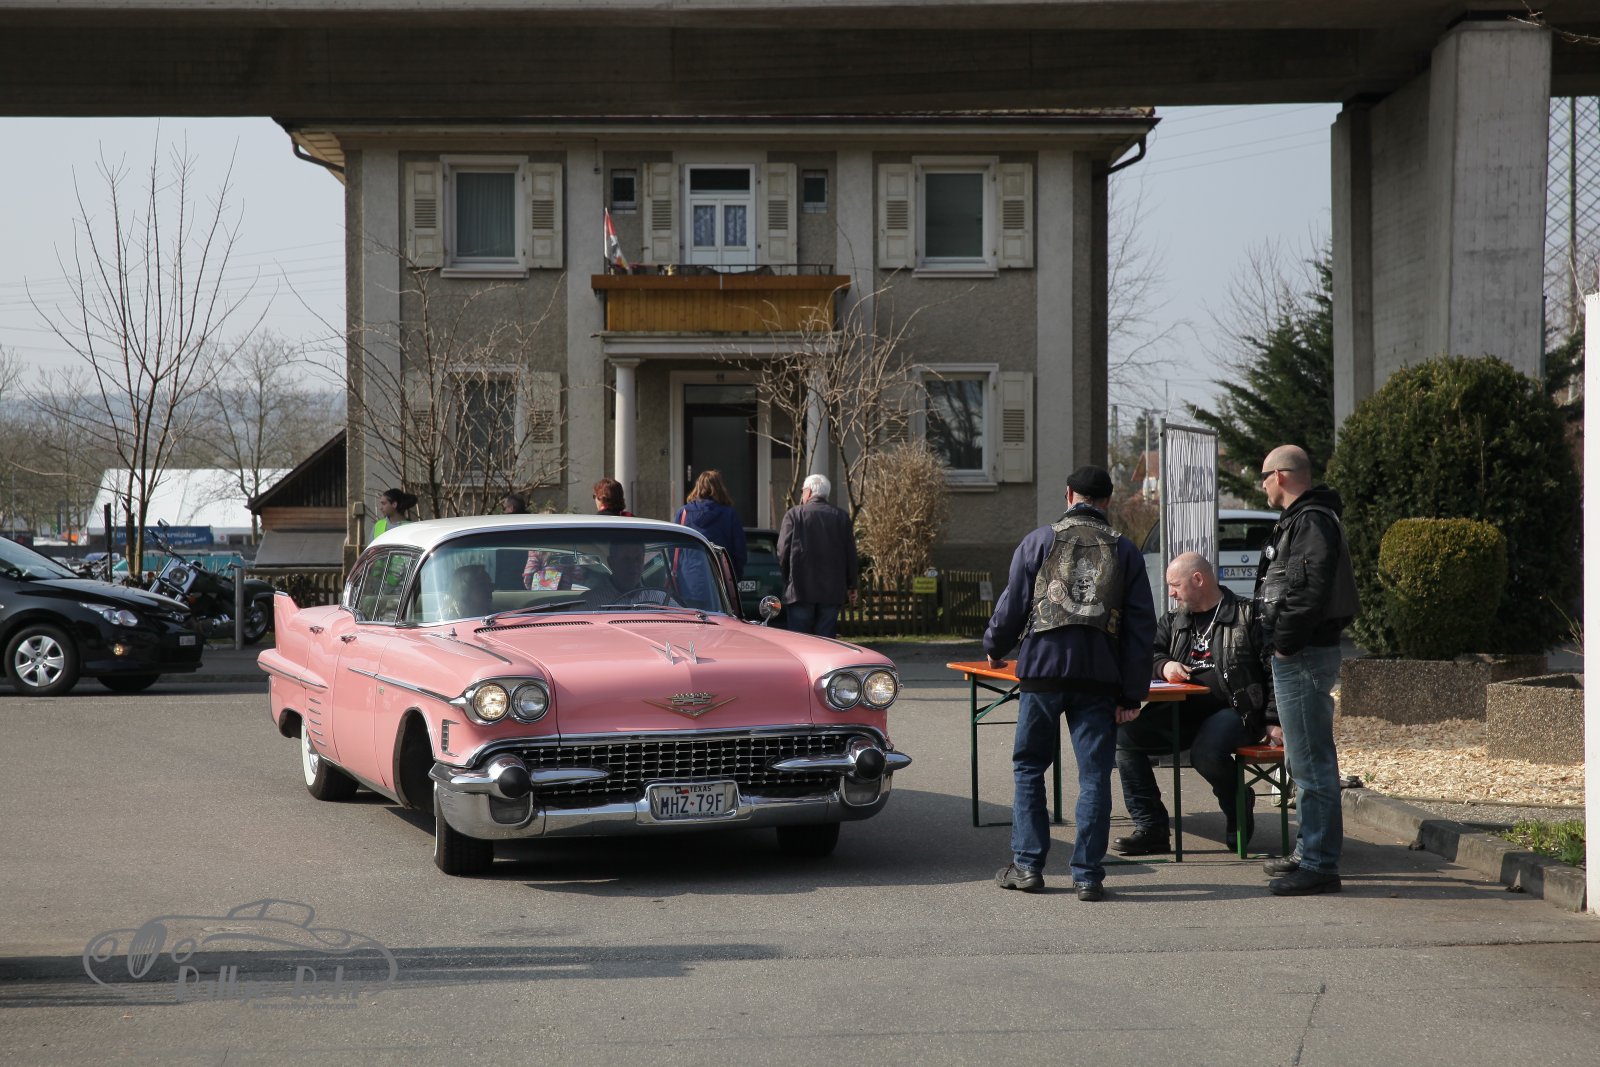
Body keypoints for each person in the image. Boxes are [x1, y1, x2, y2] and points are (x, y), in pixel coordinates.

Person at [985, 465, 1156, 902]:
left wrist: (995, 646)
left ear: (1068, 495)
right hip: (1098, 676)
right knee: (1095, 774)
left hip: (1042, 670)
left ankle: (1028, 866)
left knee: (1029, 766)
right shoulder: (1125, 550)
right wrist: (1132, 692)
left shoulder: (1039, 541)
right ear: (1108, 501)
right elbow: (1140, 627)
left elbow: (1013, 604)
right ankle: (1088, 875)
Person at [1113, 552, 1274, 857]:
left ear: (1198, 579)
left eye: (1175, 585)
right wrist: (1165, 666)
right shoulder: (1174, 620)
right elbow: (1149, 653)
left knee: (1205, 752)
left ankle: (1237, 803)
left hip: (1235, 710)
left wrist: (1273, 719)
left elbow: (1272, 671)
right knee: (1125, 738)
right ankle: (1151, 827)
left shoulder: (1247, 615)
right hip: (1182, 710)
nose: (1171, 593)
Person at [1255, 444, 1360, 896]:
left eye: (1263, 477)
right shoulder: (1305, 519)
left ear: (1280, 476)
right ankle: (1308, 851)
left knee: (1312, 762)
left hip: (1303, 654)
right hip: (1300, 652)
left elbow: (1307, 588)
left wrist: (1284, 644)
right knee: (1302, 760)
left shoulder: (1311, 520)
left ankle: (1319, 864)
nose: (1262, 486)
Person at [776, 473, 858, 637]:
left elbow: (783, 551)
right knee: (826, 642)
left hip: (800, 589)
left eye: (802, 491)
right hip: (832, 591)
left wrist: (786, 579)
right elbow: (850, 554)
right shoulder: (841, 517)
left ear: (808, 492)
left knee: (800, 641)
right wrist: (852, 585)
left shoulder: (794, 515)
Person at [675, 470, 748, 578]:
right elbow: (740, 552)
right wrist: (734, 576)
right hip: (720, 577)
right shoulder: (730, 514)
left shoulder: (683, 513)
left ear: (698, 487)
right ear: (720, 488)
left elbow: (673, 550)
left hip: (688, 578)